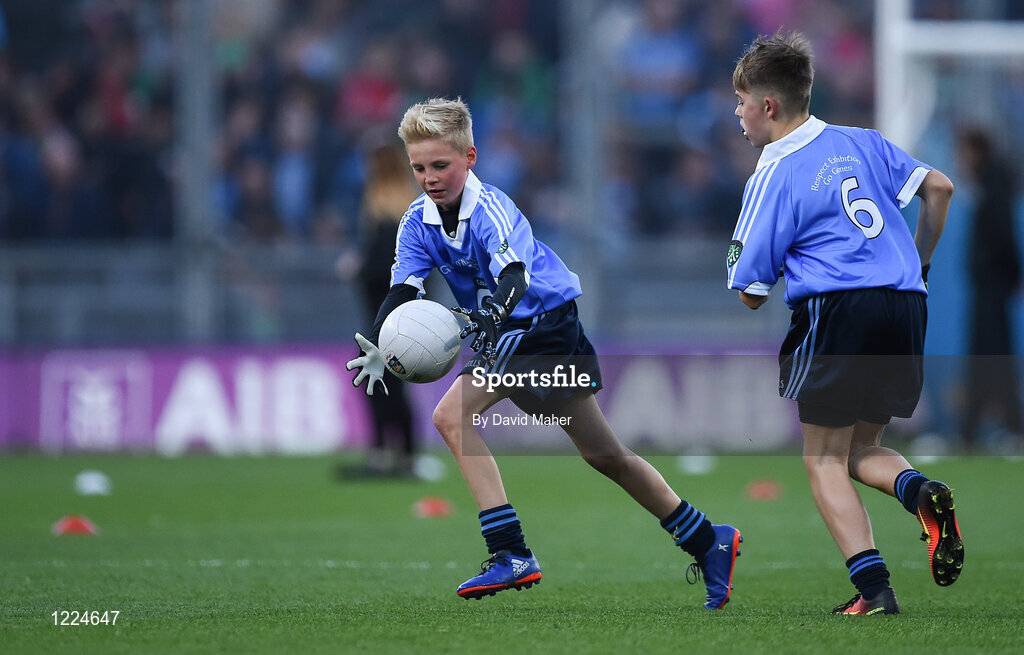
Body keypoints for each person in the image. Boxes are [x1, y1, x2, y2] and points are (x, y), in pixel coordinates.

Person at [347, 97, 742, 609]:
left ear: (470, 157)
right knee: (605, 455)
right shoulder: (416, 222)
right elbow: (402, 292)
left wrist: (491, 314)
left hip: (542, 325)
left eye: (440, 165)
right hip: (517, 330)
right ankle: (709, 540)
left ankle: (509, 552)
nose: (429, 177)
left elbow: (514, 276)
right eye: (419, 167)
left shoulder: (490, 208)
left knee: (451, 417)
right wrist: (381, 341)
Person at [726, 32, 961, 616]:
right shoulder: (863, 140)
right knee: (862, 446)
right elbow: (939, 188)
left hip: (839, 310)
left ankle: (875, 591)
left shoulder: (771, 173)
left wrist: (778, 261)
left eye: (741, 101)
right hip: (905, 303)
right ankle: (920, 493)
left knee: (822, 458)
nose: (737, 112)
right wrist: (920, 262)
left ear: (769, 106)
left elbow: (750, 293)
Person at [350, 140, 421, 476]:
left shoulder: (383, 211)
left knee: (378, 382)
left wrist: (358, 267)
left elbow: (382, 269)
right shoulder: (410, 208)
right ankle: (406, 452)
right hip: (406, 314)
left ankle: (385, 452)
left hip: (382, 314)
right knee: (394, 382)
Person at [956, 127, 1022, 451]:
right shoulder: (989, 184)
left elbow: (1003, 237)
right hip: (991, 285)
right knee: (990, 355)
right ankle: (986, 425)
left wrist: (1009, 276)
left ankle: (999, 425)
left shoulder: (994, 186)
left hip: (992, 287)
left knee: (990, 355)